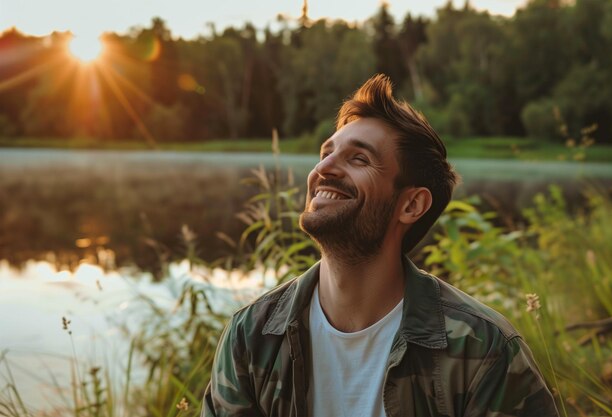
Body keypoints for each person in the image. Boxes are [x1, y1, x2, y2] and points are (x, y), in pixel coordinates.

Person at [202, 74, 559, 417]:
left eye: (358, 158)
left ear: (410, 205)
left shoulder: (483, 350)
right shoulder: (252, 335)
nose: (324, 167)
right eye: (326, 152)